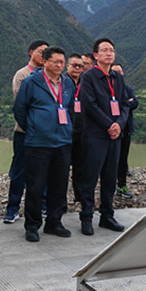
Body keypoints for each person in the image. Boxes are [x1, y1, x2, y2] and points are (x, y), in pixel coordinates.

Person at [13, 46, 75, 242]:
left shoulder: (67, 83)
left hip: (62, 142)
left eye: (62, 62)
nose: (59, 65)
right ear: (45, 62)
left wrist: (69, 129)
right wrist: (33, 128)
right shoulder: (31, 82)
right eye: (55, 62)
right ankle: (32, 225)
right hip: (38, 143)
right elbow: (19, 109)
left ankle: (54, 223)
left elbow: (70, 109)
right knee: (36, 186)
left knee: (59, 185)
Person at [78, 38, 130, 235]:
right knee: (90, 177)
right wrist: (109, 124)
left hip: (115, 136)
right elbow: (89, 105)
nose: (109, 53)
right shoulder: (88, 77)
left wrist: (119, 124)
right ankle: (86, 216)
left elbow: (125, 104)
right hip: (96, 135)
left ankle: (107, 216)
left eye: (112, 50)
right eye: (105, 50)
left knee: (110, 177)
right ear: (96, 55)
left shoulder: (118, 78)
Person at [4, 40, 48, 224]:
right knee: (20, 171)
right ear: (31, 52)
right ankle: (12, 209)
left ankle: (42, 206)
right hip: (25, 132)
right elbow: (21, 105)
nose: (44, 55)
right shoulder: (22, 75)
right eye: (40, 51)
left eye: (46, 52)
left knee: (43, 171)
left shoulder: (49, 76)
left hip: (44, 134)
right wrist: (31, 127)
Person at [111, 64, 138, 200]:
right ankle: (109, 187)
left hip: (125, 128)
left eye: (120, 72)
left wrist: (125, 103)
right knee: (109, 159)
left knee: (123, 159)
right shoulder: (105, 88)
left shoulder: (127, 88)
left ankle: (122, 185)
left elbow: (135, 103)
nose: (118, 75)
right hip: (109, 128)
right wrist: (126, 103)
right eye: (115, 72)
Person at [65, 54, 86, 204]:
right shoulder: (62, 82)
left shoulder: (85, 83)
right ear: (68, 66)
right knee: (63, 166)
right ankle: (60, 200)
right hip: (66, 131)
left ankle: (79, 195)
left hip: (82, 130)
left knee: (80, 166)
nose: (77, 68)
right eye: (74, 65)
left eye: (80, 66)